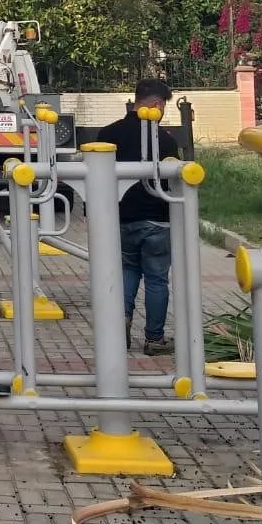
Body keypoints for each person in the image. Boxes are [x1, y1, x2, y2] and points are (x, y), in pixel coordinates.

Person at [94, 79, 178, 357]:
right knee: (156, 279)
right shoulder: (165, 140)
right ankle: (154, 339)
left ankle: (119, 328)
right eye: (164, 106)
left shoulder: (108, 134)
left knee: (127, 271)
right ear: (156, 105)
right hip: (157, 220)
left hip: (121, 218)